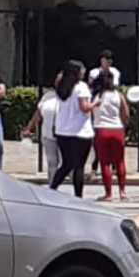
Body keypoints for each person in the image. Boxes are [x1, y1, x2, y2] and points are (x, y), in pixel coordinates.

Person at [50, 60, 97, 196]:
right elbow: (84, 107)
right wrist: (95, 103)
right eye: (82, 69)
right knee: (79, 166)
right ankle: (78, 195)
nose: (84, 72)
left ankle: (53, 187)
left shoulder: (62, 86)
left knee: (66, 164)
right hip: (80, 131)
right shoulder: (81, 87)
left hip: (62, 131)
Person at [92, 68, 129, 202]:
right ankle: (122, 191)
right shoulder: (118, 95)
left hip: (101, 129)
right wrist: (123, 126)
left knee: (105, 162)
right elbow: (125, 113)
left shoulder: (97, 96)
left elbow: (91, 113)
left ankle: (108, 194)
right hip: (117, 129)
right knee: (119, 161)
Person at [21, 73, 61, 182]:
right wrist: (29, 128)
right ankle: (53, 186)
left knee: (64, 163)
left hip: (65, 135)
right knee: (52, 162)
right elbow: (38, 113)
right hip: (48, 135)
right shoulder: (48, 96)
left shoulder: (71, 97)